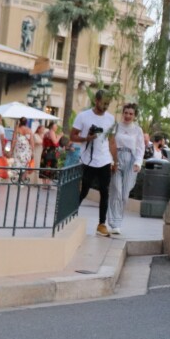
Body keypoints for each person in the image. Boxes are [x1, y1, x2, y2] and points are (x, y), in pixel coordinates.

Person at [71, 89, 117, 237]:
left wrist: (114, 161)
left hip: (104, 160)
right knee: (83, 190)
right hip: (87, 161)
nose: (105, 106)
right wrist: (86, 138)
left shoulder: (111, 119)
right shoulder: (83, 116)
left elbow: (112, 141)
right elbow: (72, 136)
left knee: (105, 192)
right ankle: (71, 215)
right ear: (96, 101)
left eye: (108, 104)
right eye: (103, 103)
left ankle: (101, 224)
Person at [107, 102, 145, 236]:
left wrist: (138, 163)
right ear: (122, 113)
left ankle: (119, 220)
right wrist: (112, 160)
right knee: (116, 190)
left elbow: (140, 148)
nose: (128, 116)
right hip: (117, 159)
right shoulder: (115, 127)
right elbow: (110, 144)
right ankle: (114, 223)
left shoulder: (137, 130)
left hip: (131, 160)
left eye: (131, 114)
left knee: (124, 195)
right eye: (126, 113)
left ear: (134, 115)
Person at [12, 117, 35, 182]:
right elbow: (32, 142)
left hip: (18, 149)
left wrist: (11, 149)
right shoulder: (29, 130)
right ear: (26, 123)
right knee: (26, 164)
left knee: (18, 163)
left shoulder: (17, 129)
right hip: (27, 150)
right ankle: (23, 178)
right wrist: (33, 151)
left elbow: (13, 140)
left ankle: (18, 178)